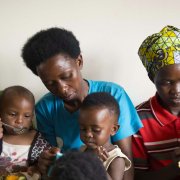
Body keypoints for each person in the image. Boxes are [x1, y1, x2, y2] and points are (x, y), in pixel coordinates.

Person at [21, 27, 143, 179]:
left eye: (66, 76)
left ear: (79, 61)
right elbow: (53, 158)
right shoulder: (45, 108)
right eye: (50, 83)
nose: (62, 88)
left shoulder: (114, 94)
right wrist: (45, 162)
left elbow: (126, 159)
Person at [132, 25, 180, 179]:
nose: (176, 90)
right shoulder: (138, 119)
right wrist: (175, 169)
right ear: (152, 78)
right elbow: (136, 176)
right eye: (167, 82)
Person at [0, 86, 51, 178]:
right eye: (12, 114)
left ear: (32, 117)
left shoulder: (39, 141)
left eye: (27, 116)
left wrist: (37, 169)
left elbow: (45, 167)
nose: (20, 121)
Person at [79, 92, 131, 180]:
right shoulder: (82, 150)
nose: (88, 134)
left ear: (113, 129)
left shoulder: (116, 159)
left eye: (96, 130)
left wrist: (96, 164)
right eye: (83, 129)